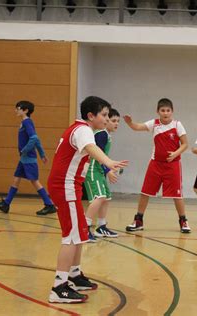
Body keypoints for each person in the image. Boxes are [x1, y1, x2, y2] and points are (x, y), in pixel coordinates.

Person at [47, 96, 128, 303]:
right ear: (91, 116)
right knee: (71, 236)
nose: (106, 118)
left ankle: (74, 274)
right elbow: (92, 150)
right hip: (64, 186)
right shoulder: (83, 130)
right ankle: (59, 287)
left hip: (69, 186)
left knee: (81, 231)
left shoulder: (81, 129)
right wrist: (109, 162)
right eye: (103, 115)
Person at [124, 98, 191, 233]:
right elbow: (137, 127)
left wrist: (175, 153)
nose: (165, 113)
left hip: (173, 165)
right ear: (158, 112)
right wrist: (130, 123)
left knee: (177, 195)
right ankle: (138, 220)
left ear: (172, 112)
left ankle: (183, 221)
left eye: (168, 111)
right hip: (155, 164)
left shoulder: (177, 125)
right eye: (163, 110)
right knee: (145, 192)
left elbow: (185, 144)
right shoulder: (153, 124)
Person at [0, 101, 56, 215]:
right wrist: (42, 154)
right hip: (24, 159)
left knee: (34, 181)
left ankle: (49, 204)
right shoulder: (24, 123)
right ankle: (6, 204)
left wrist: (25, 150)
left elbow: (34, 138)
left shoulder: (27, 122)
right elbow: (37, 139)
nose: (16, 110)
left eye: (18, 108)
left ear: (25, 110)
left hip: (28, 158)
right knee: (16, 179)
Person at [84, 108, 121, 242]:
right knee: (99, 198)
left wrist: (110, 167)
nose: (116, 124)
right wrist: (108, 170)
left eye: (118, 121)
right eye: (113, 120)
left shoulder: (106, 134)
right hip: (93, 169)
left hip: (99, 169)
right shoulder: (101, 134)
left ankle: (101, 227)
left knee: (106, 198)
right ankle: (84, 228)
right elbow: (96, 155)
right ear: (106, 121)